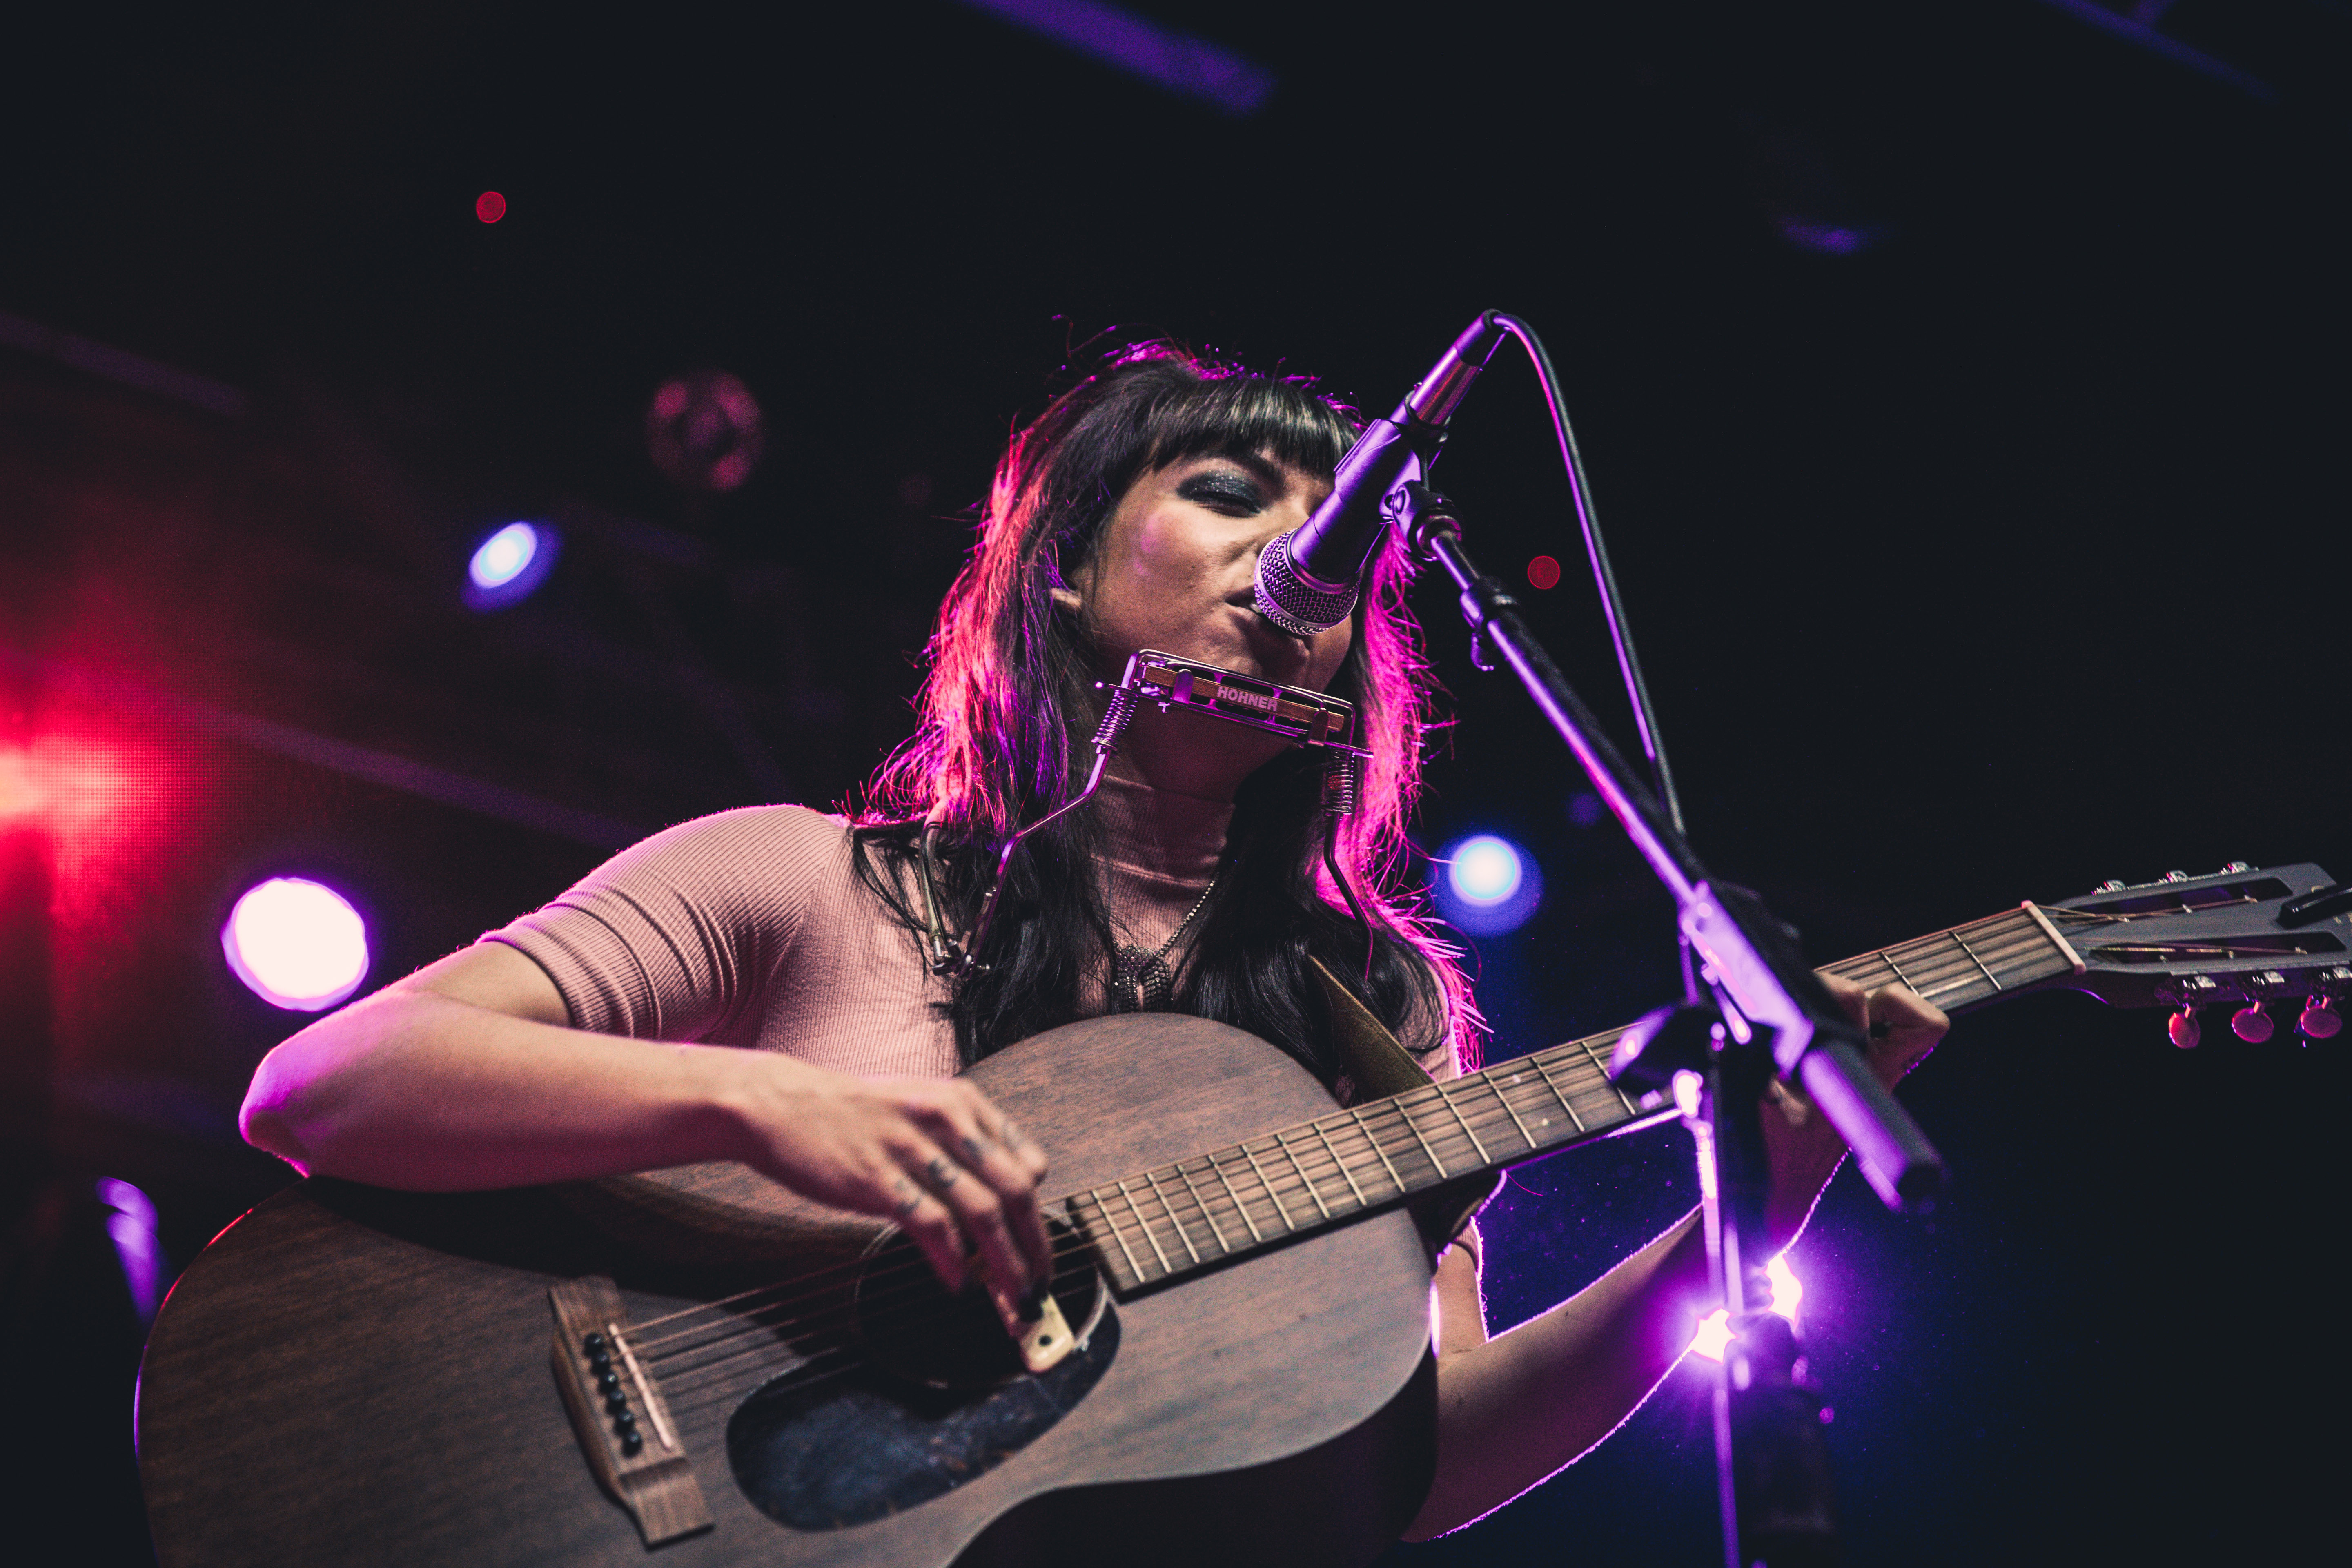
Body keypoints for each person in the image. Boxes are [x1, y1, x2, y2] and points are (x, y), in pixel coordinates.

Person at [239, 342, 1946, 1539]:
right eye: (1231, 493)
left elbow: (1415, 1470)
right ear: (1063, 567)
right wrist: (761, 1106)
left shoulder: (1376, 1015)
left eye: (1343, 535)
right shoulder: (803, 882)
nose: (1301, 552)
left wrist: (1766, 1188)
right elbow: (324, 1086)